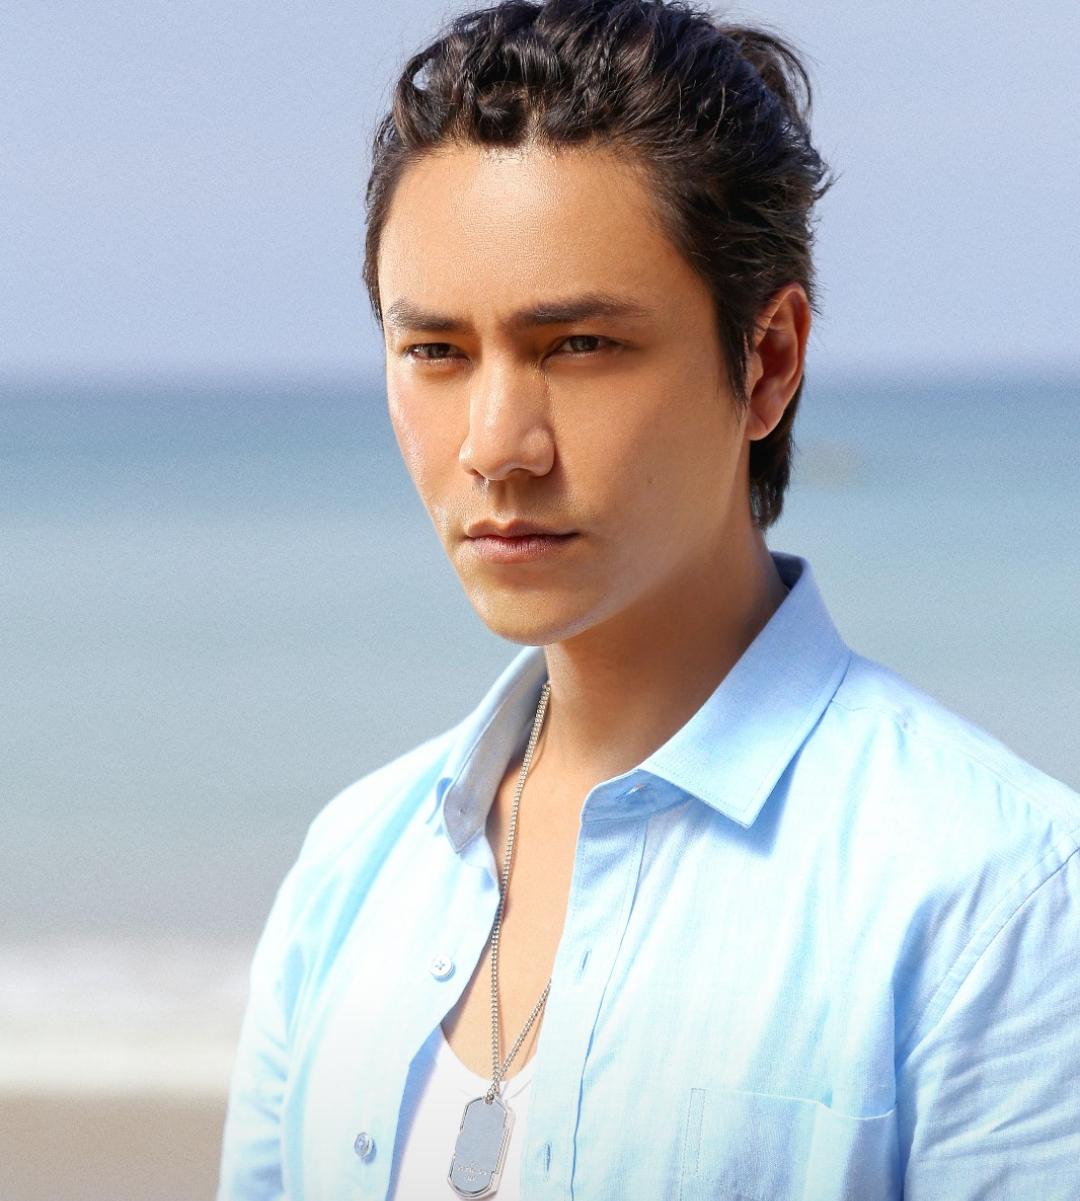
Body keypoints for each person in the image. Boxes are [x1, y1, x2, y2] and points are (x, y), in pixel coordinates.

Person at [215, 1, 1080, 1198]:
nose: (496, 446)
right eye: (436, 352)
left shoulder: (994, 897)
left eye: (577, 345)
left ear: (767, 361)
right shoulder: (353, 869)